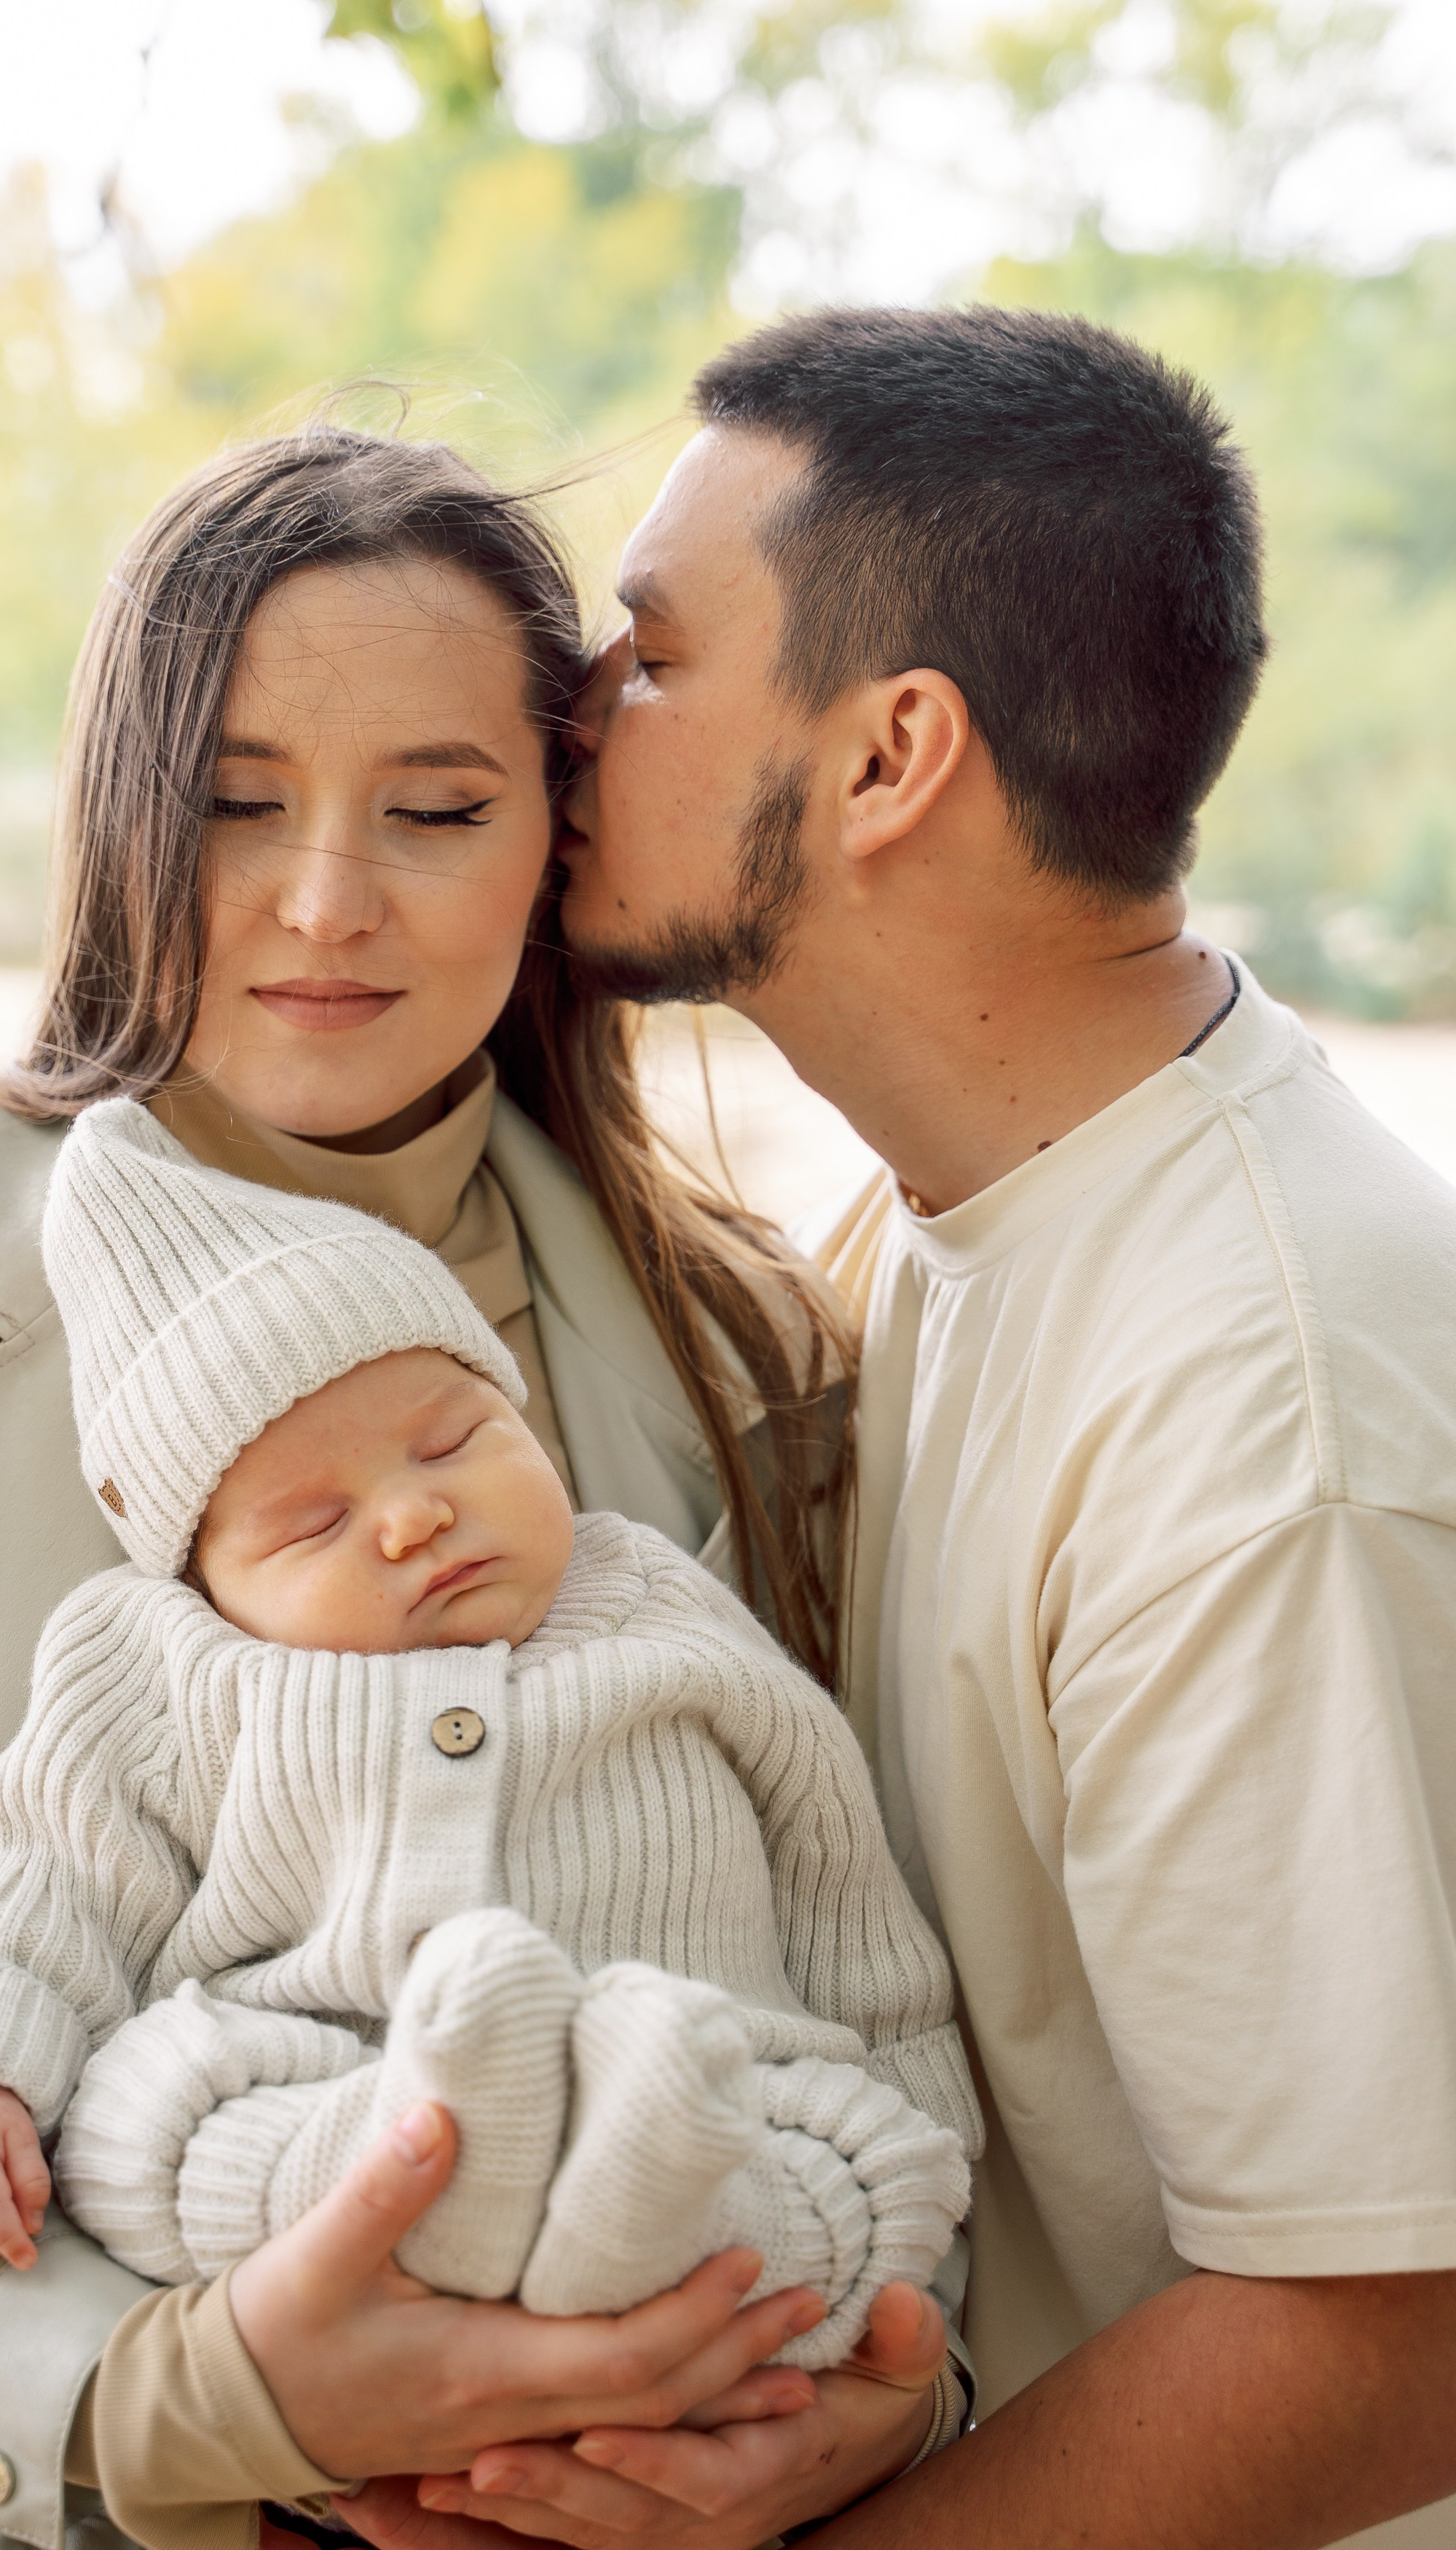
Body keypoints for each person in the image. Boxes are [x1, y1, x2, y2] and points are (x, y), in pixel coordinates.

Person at [0, 424, 957, 2550]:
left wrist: (882, 2378)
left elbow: (875, 1965)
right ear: (119, 823)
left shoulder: (755, 1348)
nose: (323, 901)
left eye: (433, 808)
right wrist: (155, 2396)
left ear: (555, 842)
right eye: (232, 805)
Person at [457, 303, 1455, 2550]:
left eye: (649, 652)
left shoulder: (1255, 1403)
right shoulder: (971, 1203)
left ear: (892, 753)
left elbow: (1387, 2323)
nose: (571, 714)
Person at [0, 1103, 975, 2401]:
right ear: (204, 1582)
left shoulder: (656, 1603)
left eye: (453, 1441)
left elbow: (844, 1892)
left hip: (700, 2078)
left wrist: (910, 2117)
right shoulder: (157, 1663)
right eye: (311, 1523)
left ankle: (642, 2194)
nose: (413, 1514)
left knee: (831, 2166)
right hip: (324, 2078)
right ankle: (468, 2165)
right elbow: (36, 1878)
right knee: (156, 2119)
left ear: (527, 1425)